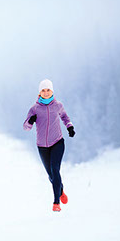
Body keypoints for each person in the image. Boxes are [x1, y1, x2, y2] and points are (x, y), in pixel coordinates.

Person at [23, 79, 75, 212]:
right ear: (39, 92)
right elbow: (26, 127)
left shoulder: (58, 105)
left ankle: (56, 202)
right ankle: (61, 191)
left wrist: (70, 127)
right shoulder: (34, 109)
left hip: (57, 142)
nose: (46, 93)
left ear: (52, 91)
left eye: (48, 90)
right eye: (43, 90)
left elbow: (65, 117)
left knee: (55, 169)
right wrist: (30, 121)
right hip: (42, 146)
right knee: (51, 175)